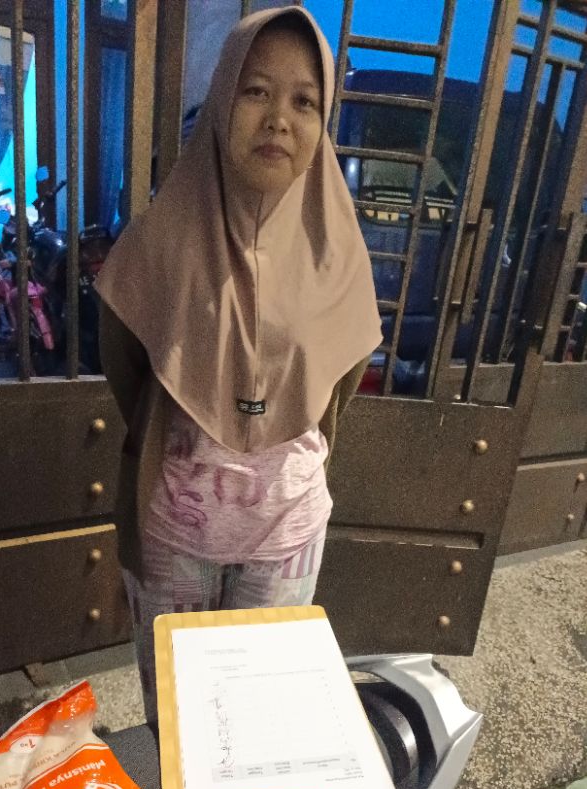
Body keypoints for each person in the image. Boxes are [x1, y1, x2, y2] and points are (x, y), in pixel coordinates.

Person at [95, 6, 382, 725]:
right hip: (174, 532)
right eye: (256, 91)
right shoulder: (159, 239)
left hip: (286, 533)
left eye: (304, 101)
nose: (279, 118)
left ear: (322, 122)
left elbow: (339, 382)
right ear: (222, 98)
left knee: (258, 726)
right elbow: (127, 366)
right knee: (177, 723)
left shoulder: (340, 251)